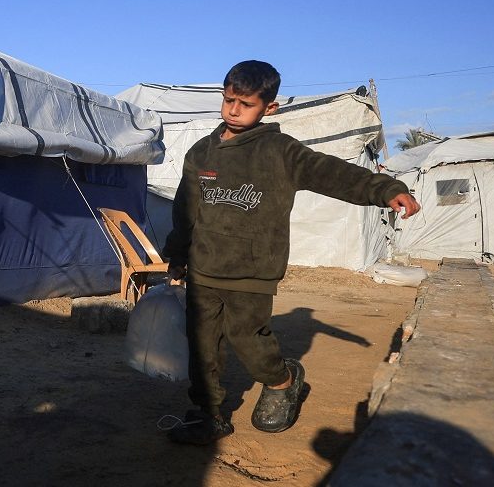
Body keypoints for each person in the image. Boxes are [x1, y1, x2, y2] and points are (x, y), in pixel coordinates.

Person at [162, 60, 420, 445]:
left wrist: (385, 189)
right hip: (204, 269)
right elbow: (186, 210)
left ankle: (282, 380)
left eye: (245, 104)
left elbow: (332, 173)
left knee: (248, 339)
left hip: (252, 270)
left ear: (269, 108)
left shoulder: (279, 151)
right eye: (228, 100)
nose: (233, 110)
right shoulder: (201, 153)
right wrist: (177, 256)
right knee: (202, 348)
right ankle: (209, 414)